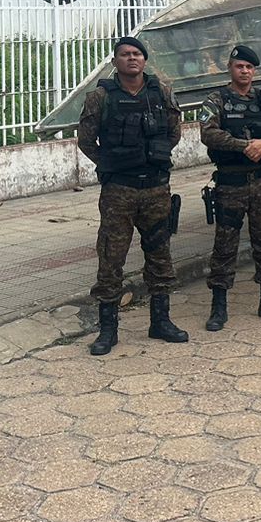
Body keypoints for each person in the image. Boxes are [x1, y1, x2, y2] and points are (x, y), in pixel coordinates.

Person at [77, 35, 186, 355]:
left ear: (145, 60)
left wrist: (151, 157)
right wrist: (112, 164)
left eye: (137, 54)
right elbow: (86, 140)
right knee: (111, 259)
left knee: (160, 255)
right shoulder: (100, 96)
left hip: (155, 188)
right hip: (118, 191)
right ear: (115, 62)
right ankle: (107, 331)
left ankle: (160, 321)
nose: (132, 59)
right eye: (125, 54)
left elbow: (174, 132)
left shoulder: (160, 92)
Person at [199, 44, 261, 330]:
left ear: (255, 71)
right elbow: (208, 133)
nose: (244, 71)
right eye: (239, 66)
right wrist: (245, 147)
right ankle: (218, 308)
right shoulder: (216, 100)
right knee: (224, 245)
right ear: (230, 68)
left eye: (249, 67)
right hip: (230, 183)